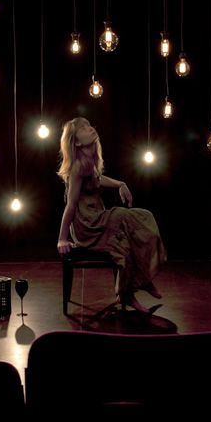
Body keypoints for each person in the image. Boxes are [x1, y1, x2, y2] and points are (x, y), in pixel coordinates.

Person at [57, 117, 167, 313]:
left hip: (97, 218)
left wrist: (120, 184)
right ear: (77, 142)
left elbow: (98, 180)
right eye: (83, 128)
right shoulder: (78, 166)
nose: (90, 129)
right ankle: (139, 281)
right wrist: (62, 239)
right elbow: (71, 204)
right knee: (128, 216)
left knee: (128, 239)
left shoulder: (89, 161)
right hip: (88, 225)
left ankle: (132, 287)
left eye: (89, 125)